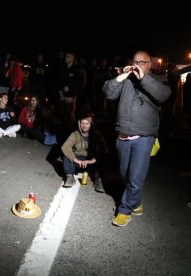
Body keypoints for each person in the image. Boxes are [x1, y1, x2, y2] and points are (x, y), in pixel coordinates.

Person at [103, 50, 171, 227]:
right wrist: (122, 76)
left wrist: (143, 78)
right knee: (125, 174)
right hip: (123, 135)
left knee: (135, 177)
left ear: (149, 64)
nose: (137, 65)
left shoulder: (158, 80)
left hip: (143, 137)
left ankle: (124, 210)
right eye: (135, 61)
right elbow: (108, 93)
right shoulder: (126, 80)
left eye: (142, 62)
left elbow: (163, 95)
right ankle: (136, 201)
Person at [61, 112, 107, 192]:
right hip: (77, 163)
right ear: (79, 123)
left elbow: (104, 150)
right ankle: (70, 177)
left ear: (91, 124)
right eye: (82, 123)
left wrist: (91, 160)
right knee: (67, 155)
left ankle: (98, 180)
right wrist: (76, 160)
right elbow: (65, 147)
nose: (84, 126)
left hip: (90, 162)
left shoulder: (96, 135)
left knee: (102, 159)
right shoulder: (75, 134)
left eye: (87, 123)